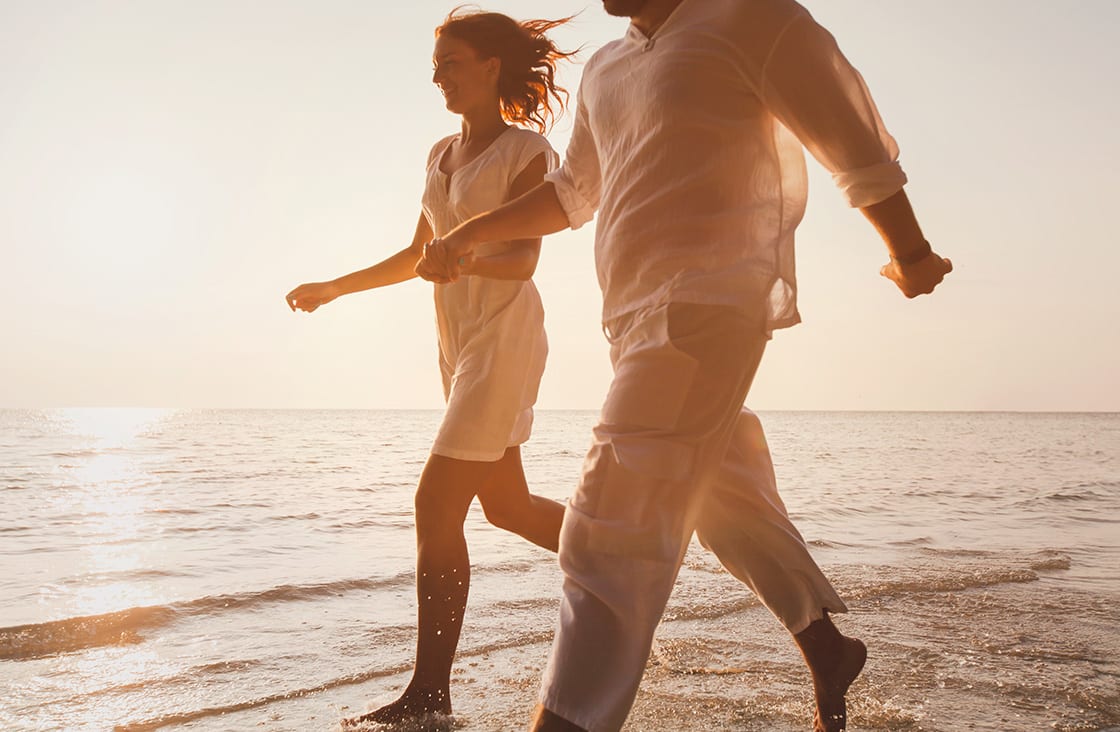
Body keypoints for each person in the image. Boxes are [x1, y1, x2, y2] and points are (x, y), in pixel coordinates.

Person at [415, 0, 954, 730]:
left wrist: (911, 253)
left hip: (710, 308)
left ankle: (567, 721)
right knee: (725, 501)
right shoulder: (610, 67)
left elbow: (850, 136)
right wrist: (469, 234)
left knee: (605, 525)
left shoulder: (751, 20)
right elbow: (572, 194)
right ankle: (825, 645)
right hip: (632, 321)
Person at [285, 8, 576, 726]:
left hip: (504, 337)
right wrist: (334, 288)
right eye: (436, 65)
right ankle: (629, 550)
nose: (439, 76)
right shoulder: (439, 153)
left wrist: (465, 253)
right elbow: (417, 254)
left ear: (490, 67)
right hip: (457, 340)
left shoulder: (526, 152)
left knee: (433, 504)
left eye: (451, 62)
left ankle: (429, 694)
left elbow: (525, 256)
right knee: (505, 507)